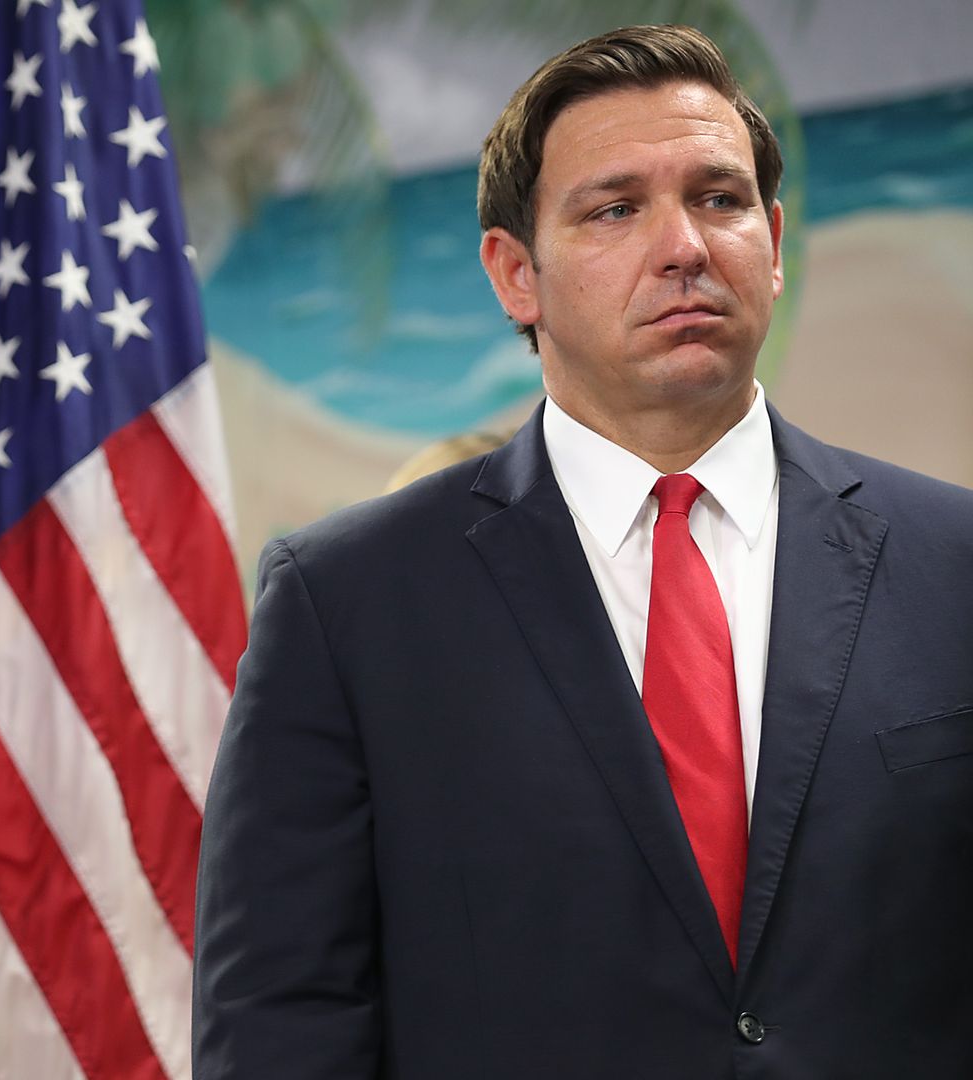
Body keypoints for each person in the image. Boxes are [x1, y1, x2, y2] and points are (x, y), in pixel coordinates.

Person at [194, 24, 973, 1079]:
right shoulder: (346, 605)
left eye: (719, 199)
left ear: (775, 245)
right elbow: (285, 1023)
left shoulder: (953, 562)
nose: (685, 247)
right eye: (615, 208)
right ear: (517, 275)